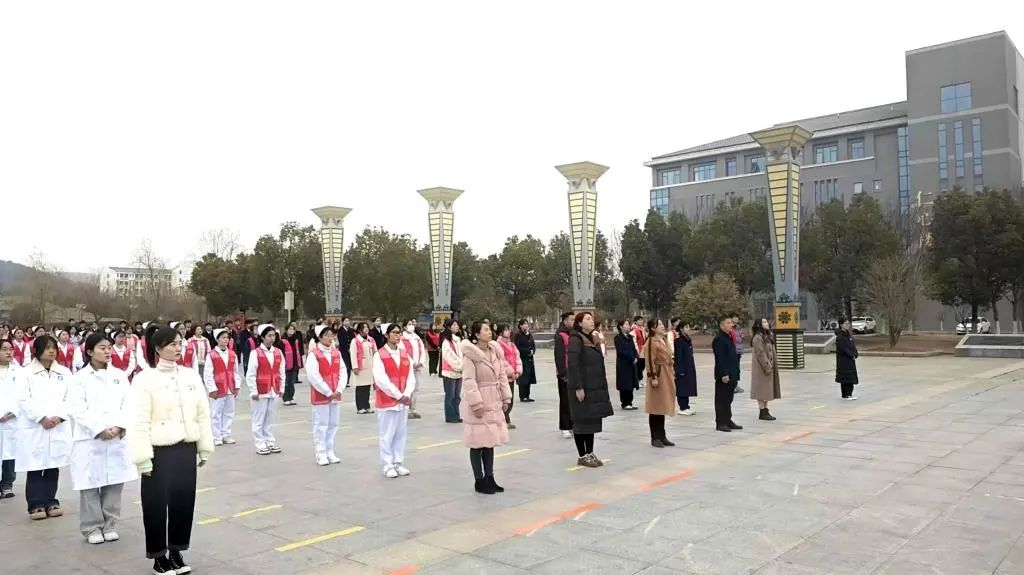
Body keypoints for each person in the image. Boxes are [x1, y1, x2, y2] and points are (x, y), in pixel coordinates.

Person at [129, 325, 214, 574]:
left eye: (179, 344)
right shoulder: (145, 379)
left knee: (183, 502)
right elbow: (139, 420)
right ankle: (158, 556)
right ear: (158, 348)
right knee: (155, 505)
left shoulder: (190, 376)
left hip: (185, 448)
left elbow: (202, 413)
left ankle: (176, 551)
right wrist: (142, 458)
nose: (178, 349)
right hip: (159, 451)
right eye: (172, 344)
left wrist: (204, 447)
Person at [69, 333, 137, 544]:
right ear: (89, 351)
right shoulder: (80, 378)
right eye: (102, 348)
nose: (108, 351)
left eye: (109, 347)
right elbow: (77, 408)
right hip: (90, 438)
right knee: (89, 483)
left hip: (116, 437)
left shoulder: (119, 375)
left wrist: (119, 426)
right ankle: (91, 527)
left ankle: (110, 524)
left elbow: (129, 403)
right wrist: (99, 429)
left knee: (114, 482)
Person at [15, 334, 73, 520]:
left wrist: (59, 417)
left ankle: (51, 500)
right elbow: (23, 399)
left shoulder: (64, 373)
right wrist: (40, 418)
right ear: (37, 350)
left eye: (54, 348)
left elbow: (71, 397)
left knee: (52, 464)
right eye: (47, 348)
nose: (51, 351)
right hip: (35, 426)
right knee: (35, 465)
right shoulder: (25, 373)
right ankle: (35, 504)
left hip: (57, 425)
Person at [461, 321, 512, 494]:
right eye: (486, 330)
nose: (490, 332)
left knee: (490, 441)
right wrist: (476, 404)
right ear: (476, 334)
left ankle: (490, 477)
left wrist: (506, 397)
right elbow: (469, 381)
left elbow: (502, 375)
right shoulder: (470, 355)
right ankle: (479, 480)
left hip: (494, 400)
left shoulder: (494, 351)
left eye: (490, 329)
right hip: (480, 400)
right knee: (477, 443)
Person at [566, 312, 614, 468]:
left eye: (592, 318)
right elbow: (573, 364)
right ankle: (582, 455)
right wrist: (578, 387)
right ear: (580, 323)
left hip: (592, 386)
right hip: (582, 387)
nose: (591, 321)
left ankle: (590, 452)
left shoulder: (592, 339)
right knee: (581, 421)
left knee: (591, 420)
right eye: (587, 319)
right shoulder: (576, 339)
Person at [372, 323, 416, 479]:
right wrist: (398, 395)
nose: (398, 335)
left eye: (399, 333)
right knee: (387, 434)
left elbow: (410, 377)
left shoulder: (404, 354)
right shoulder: (379, 355)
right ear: (387, 335)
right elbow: (381, 379)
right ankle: (387, 465)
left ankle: (398, 462)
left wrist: (407, 394)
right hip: (387, 401)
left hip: (402, 401)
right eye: (395, 333)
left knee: (400, 434)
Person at [307, 325, 345, 466]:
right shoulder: (314, 355)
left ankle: (330, 451)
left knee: (333, 424)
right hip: (321, 395)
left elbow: (343, 372)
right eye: (327, 335)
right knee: (321, 424)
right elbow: (314, 376)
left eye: (331, 335)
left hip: (336, 394)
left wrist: (339, 389)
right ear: (319, 337)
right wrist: (328, 392)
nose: (330, 338)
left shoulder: (336, 353)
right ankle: (321, 452)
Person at [246, 324, 285, 455]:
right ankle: (260, 443)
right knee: (259, 418)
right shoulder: (255, 353)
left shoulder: (278, 352)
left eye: (273, 335)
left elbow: (281, 372)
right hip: (260, 389)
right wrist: (253, 390)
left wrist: (282, 388)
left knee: (270, 418)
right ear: (262, 337)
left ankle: (270, 441)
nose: (272, 338)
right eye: (269, 336)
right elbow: (251, 374)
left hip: (274, 388)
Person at [203, 329, 241, 446]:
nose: (226, 340)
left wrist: (237, 385)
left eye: (227, 337)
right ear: (217, 339)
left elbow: (236, 371)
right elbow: (208, 373)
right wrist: (212, 388)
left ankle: (226, 434)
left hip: (230, 386)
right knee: (216, 413)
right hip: (218, 387)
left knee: (229, 412)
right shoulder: (211, 355)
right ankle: (217, 436)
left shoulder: (232, 354)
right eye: (223, 337)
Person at [644, 319, 677, 448]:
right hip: (658, 375)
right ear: (653, 328)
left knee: (662, 406)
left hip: (666, 374)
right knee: (655, 407)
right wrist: (653, 377)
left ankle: (662, 435)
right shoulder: (651, 341)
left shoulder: (663, 339)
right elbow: (650, 360)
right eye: (660, 325)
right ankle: (655, 437)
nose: (663, 326)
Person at [712, 316, 742, 432]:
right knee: (721, 399)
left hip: (732, 373)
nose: (731, 325)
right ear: (721, 325)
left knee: (728, 399)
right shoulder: (719, 339)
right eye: (728, 323)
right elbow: (720, 358)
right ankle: (721, 423)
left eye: (731, 323)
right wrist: (724, 374)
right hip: (724, 375)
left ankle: (727, 420)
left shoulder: (729, 337)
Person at [750, 318, 781, 420]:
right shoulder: (757, 338)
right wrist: (767, 366)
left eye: (767, 321)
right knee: (761, 389)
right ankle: (762, 410)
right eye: (764, 322)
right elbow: (760, 353)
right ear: (759, 324)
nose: (766, 323)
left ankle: (765, 410)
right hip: (762, 368)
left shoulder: (768, 336)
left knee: (767, 390)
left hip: (769, 366)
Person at [1, 339, 19, 500]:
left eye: (10, 349)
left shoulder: (19, 372)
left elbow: (23, 396)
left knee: (9, 453)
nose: (8, 352)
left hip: (12, 419)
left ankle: (7, 484)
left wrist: (11, 414)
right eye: (4, 349)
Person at [495, 324, 521, 430]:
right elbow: (502, 361)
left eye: (509, 330)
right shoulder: (498, 345)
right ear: (500, 332)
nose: (508, 332)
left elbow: (517, 358)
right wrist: (511, 372)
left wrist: (518, 371)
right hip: (504, 376)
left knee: (510, 398)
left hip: (512, 376)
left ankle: (506, 419)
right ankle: (503, 420)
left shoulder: (512, 344)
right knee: (505, 399)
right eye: (505, 330)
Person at [553, 312, 575, 439]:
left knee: (573, 400)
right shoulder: (560, 335)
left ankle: (572, 424)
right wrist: (563, 373)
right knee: (565, 401)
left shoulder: (573, 333)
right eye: (571, 319)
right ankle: (565, 427)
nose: (573, 322)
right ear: (565, 320)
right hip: (565, 372)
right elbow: (559, 356)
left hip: (574, 371)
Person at [440, 319, 464, 424]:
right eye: (454, 325)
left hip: (459, 371)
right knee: (450, 395)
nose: (457, 326)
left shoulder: (458, 340)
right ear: (449, 327)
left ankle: (456, 414)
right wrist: (459, 365)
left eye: (457, 325)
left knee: (457, 396)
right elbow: (448, 357)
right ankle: (450, 416)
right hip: (450, 371)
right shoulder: (446, 341)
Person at [401, 319, 426, 420]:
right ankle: (406, 409)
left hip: (417, 367)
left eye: (412, 324)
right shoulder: (402, 338)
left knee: (416, 388)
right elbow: (403, 352)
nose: (412, 326)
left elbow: (422, 351)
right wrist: (412, 363)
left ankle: (413, 409)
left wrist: (420, 362)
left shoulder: (417, 338)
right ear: (404, 327)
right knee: (407, 388)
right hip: (407, 367)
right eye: (409, 324)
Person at [350, 322, 376, 414]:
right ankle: (360, 407)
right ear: (359, 330)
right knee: (360, 387)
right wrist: (355, 367)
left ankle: (367, 406)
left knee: (367, 387)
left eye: (367, 327)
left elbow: (375, 352)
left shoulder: (371, 340)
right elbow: (353, 355)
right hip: (361, 368)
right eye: (364, 327)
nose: (366, 329)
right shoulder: (355, 341)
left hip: (370, 367)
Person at [673, 321, 698, 416]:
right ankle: (682, 407)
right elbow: (678, 357)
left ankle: (686, 406)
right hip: (682, 368)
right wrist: (679, 370)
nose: (688, 329)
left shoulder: (687, 340)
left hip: (688, 367)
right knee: (682, 387)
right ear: (681, 329)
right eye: (686, 327)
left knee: (687, 387)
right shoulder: (679, 341)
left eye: (689, 327)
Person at [613, 319, 639, 410]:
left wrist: (636, 357)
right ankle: (625, 402)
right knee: (624, 383)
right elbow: (621, 351)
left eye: (629, 324)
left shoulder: (630, 337)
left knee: (631, 383)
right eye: (626, 324)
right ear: (621, 327)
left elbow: (634, 349)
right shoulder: (618, 338)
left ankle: (630, 402)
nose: (629, 326)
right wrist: (632, 358)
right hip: (623, 364)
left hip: (631, 363)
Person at [835, 318, 860, 400]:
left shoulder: (848, 334)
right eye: (846, 323)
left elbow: (852, 345)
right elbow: (843, 348)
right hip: (844, 360)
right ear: (841, 325)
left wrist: (855, 353)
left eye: (848, 323)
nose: (847, 325)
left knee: (850, 376)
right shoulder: (840, 336)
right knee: (845, 377)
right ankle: (846, 395)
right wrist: (851, 355)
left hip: (850, 360)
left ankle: (849, 394)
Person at [281, 324, 304, 407]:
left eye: (293, 329)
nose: (291, 331)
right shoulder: (282, 340)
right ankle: (286, 398)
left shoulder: (296, 340)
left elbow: (298, 351)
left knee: (292, 382)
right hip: (285, 364)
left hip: (294, 363)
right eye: (290, 329)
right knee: (286, 382)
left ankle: (291, 397)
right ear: (286, 330)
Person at [513, 319, 537, 402]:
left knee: (529, 377)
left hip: (529, 359)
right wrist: (527, 351)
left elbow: (533, 345)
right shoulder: (518, 335)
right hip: (522, 359)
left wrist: (533, 351)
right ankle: (522, 396)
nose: (526, 325)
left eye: (527, 324)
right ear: (520, 326)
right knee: (523, 378)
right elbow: (517, 347)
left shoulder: (529, 334)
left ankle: (527, 395)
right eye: (524, 324)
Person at [731, 314, 745, 394]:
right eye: (735, 317)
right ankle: (732, 385)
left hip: (738, 351)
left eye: (737, 317)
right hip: (733, 351)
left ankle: (735, 384)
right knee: (733, 369)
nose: (736, 319)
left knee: (737, 369)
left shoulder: (738, 328)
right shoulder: (730, 328)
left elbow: (741, 338)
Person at [631, 316, 647, 384]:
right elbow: (634, 341)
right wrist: (636, 351)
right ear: (635, 321)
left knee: (643, 365)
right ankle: (637, 380)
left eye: (642, 320)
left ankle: (639, 379)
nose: (641, 321)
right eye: (639, 320)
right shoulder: (634, 330)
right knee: (639, 366)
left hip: (643, 349)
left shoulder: (642, 329)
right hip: (638, 349)